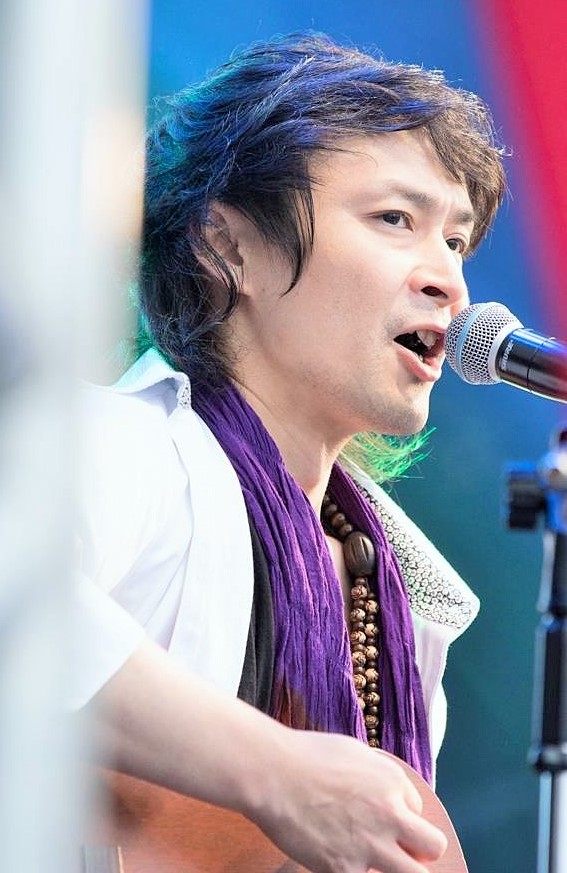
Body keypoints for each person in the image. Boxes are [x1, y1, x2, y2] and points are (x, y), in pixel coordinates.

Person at [75, 31, 505, 873]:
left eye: (455, 242)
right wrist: (275, 771)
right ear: (227, 246)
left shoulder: (401, 604)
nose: (449, 281)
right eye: (394, 219)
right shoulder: (121, 446)